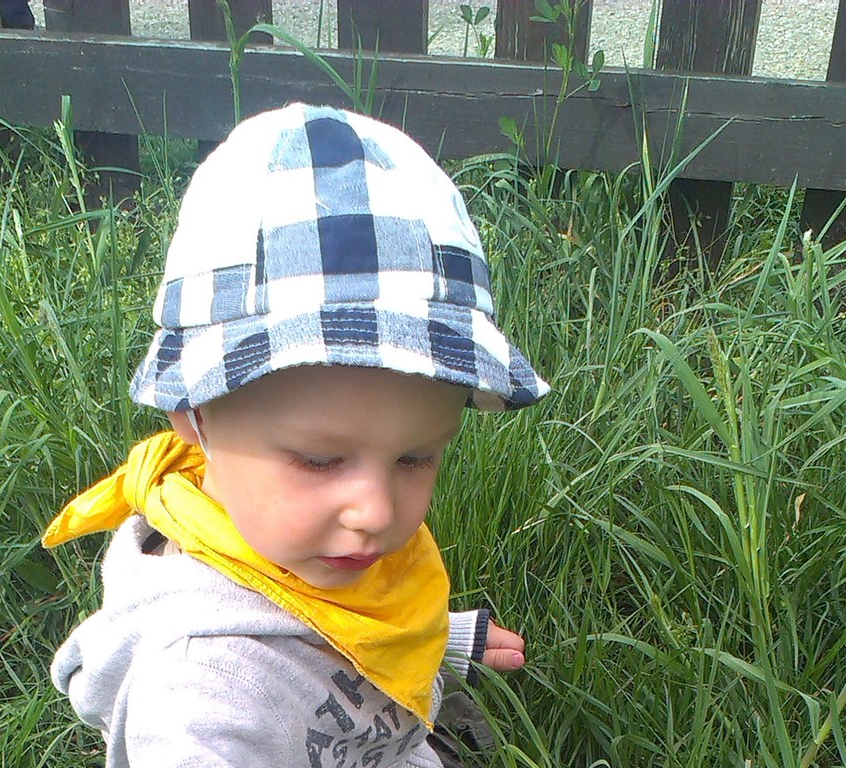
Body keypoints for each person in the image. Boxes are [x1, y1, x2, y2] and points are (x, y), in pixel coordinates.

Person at [43, 103, 550, 767]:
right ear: (195, 414)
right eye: (319, 460)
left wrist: (437, 640)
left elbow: (318, 631)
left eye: (415, 457)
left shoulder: (307, 549)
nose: (376, 511)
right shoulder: (201, 695)